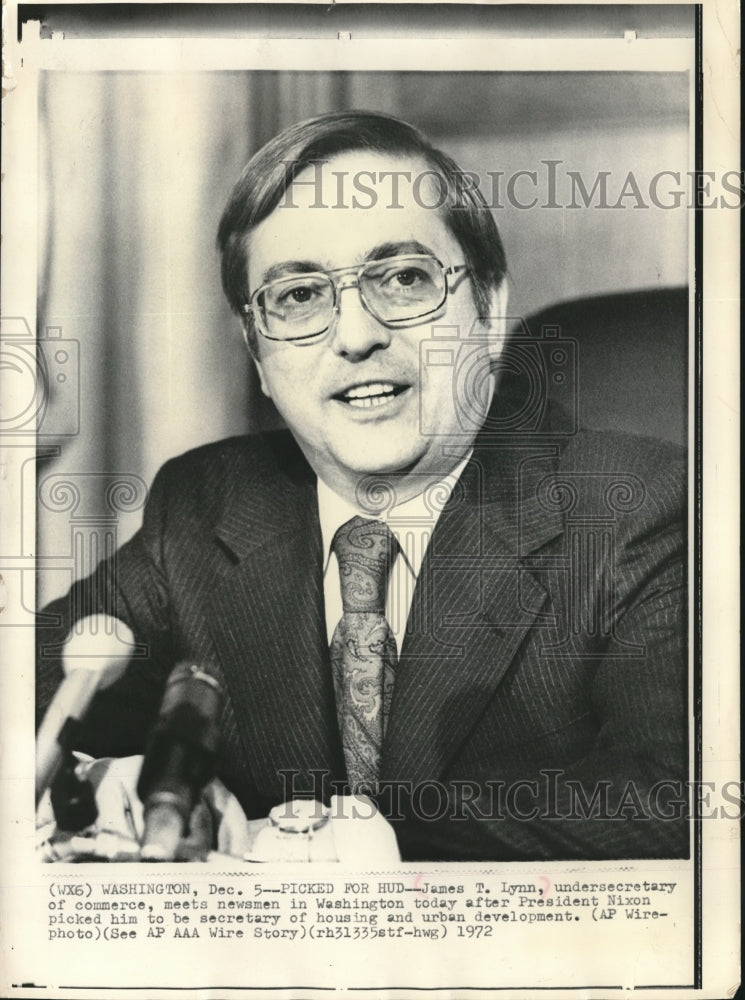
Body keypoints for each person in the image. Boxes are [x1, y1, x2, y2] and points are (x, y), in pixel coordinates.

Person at [36, 110, 688, 861]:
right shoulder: (206, 502)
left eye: (403, 279)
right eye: (299, 297)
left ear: (489, 304)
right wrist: (101, 779)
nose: (354, 337)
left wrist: (335, 839)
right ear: (255, 350)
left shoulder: (638, 508)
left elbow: (666, 795)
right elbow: (31, 696)